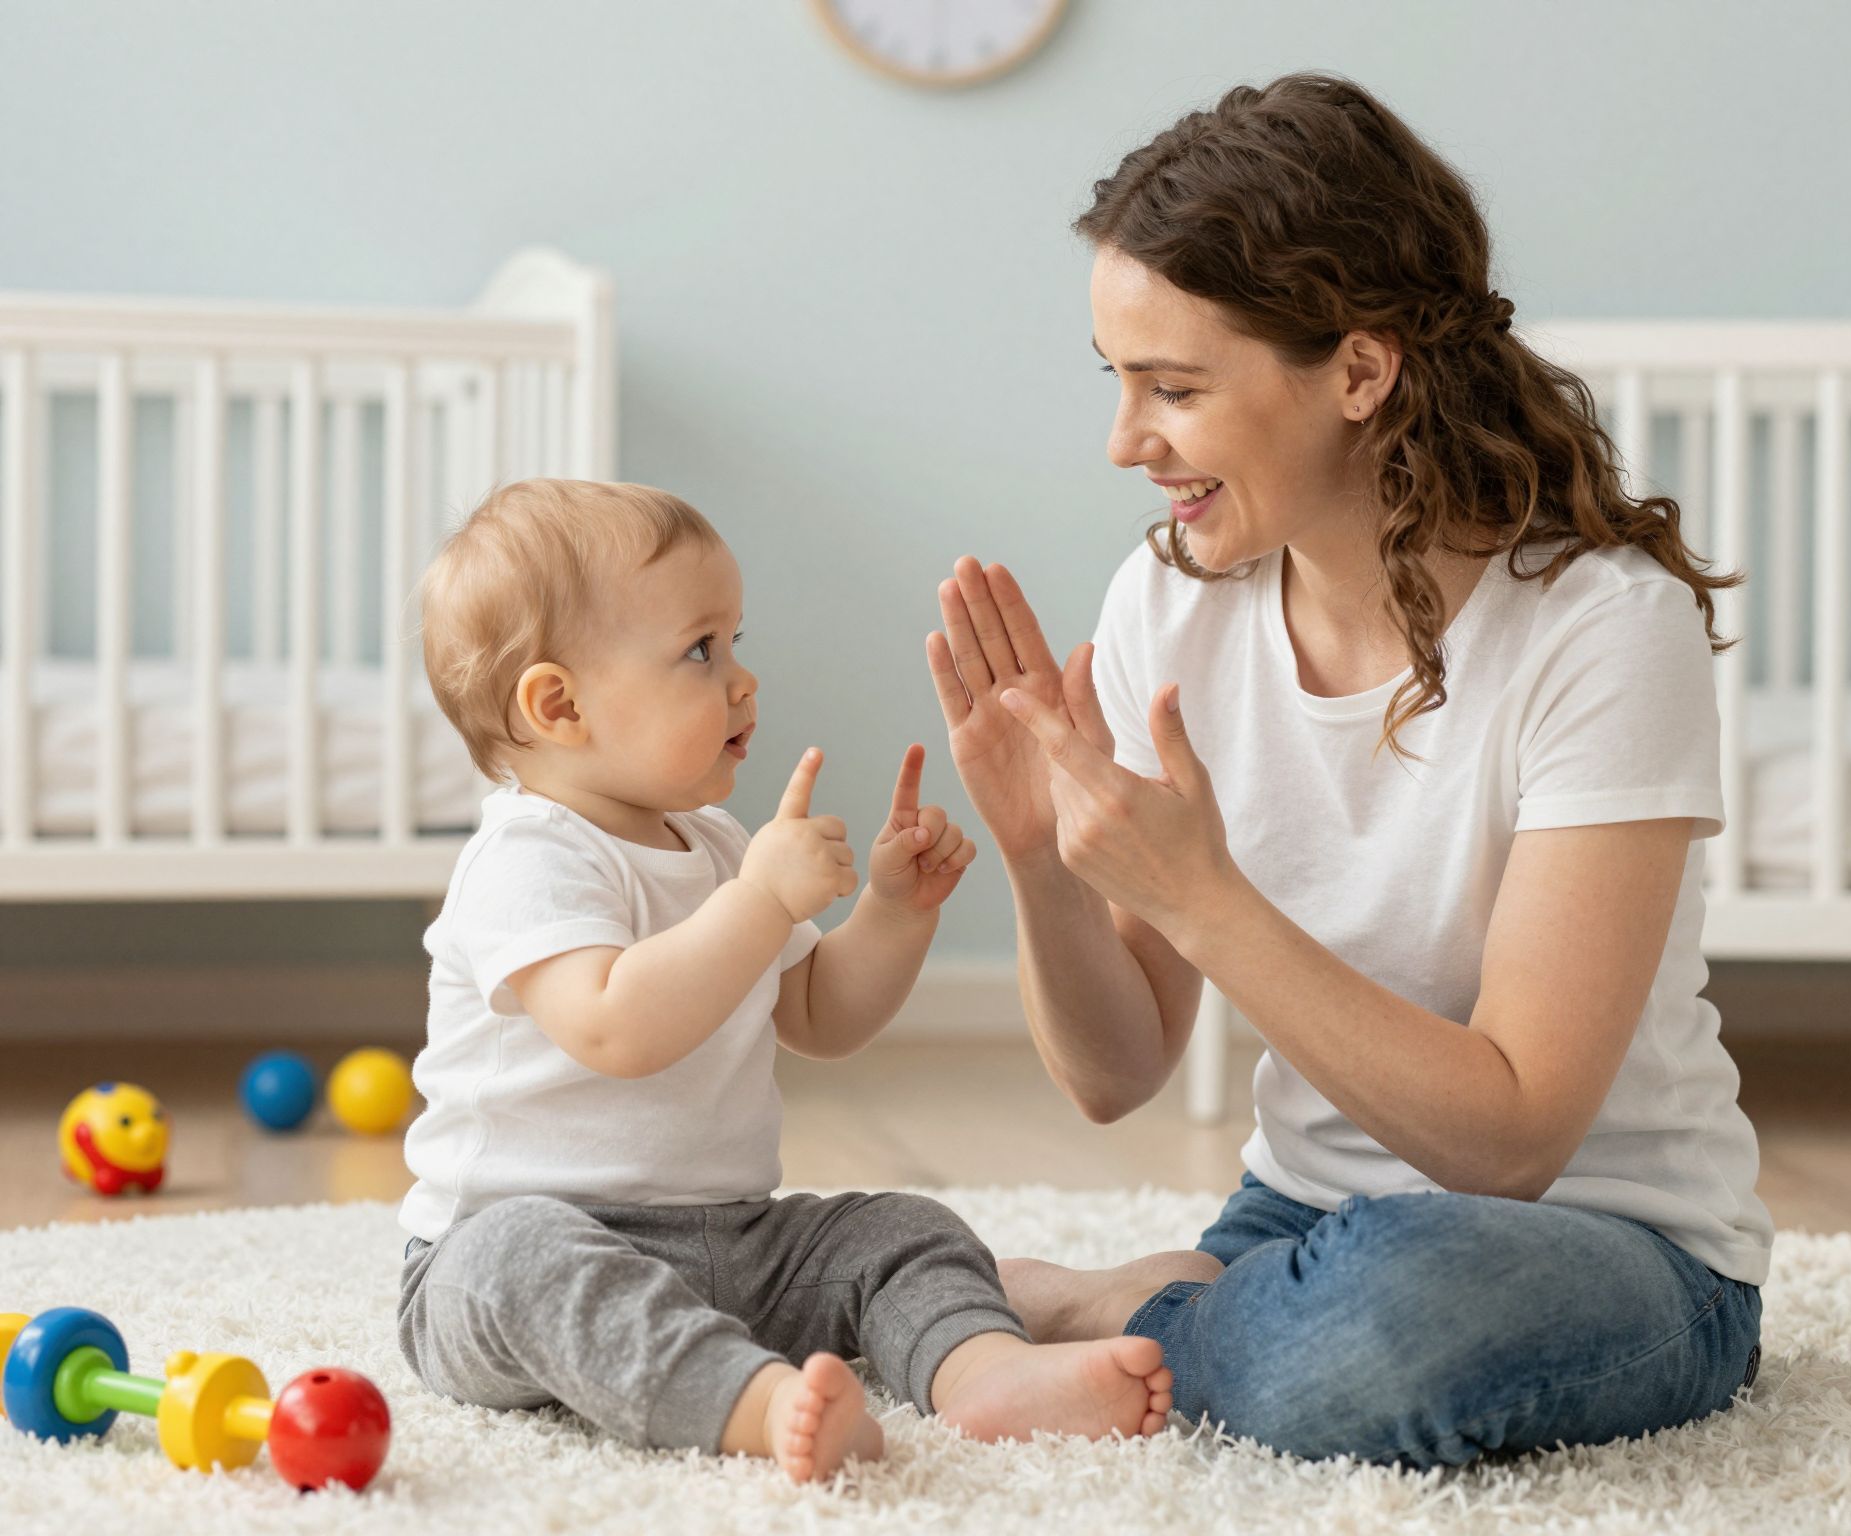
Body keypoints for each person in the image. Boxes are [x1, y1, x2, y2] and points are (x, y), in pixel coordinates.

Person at [926, 73, 1771, 1468]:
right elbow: (1115, 1073)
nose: (1125, 441)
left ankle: (1116, 1317)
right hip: (1298, 1222)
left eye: (1174, 388)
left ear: (1362, 373)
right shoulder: (1175, 603)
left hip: (1609, 1250)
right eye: (1118, 381)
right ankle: (1202, 1314)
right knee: (1349, 1294)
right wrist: (1043, 858)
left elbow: (1512, 1145)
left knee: (1385, 1324)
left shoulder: (1606, 631)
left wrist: (1202, 900)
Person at [396, 479, 1173, 1483]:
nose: (743, 679)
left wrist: (892, 913)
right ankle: (755, 1404)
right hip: (510, 1259)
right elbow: (615, 1027)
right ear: (559, 705)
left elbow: (818, 1015)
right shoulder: (527, 857)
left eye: (734, 641)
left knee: (898, 1228)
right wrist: (761, 899)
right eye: (699, 650)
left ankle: (981, 1369)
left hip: (732, 1243)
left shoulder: (718, 845)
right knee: (520, 1260)